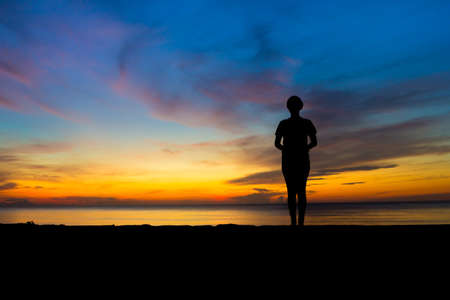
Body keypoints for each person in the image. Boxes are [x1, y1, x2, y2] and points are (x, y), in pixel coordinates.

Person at [275, 96, 317, 226]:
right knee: (298, 191)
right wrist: (302, 149)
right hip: (294, 160)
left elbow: (277, 144)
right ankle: (297, 223)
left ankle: (296, 223)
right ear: (300, 107)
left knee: (294, 191)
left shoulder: (303, 123)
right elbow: (314, 142)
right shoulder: (287, 123)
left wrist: (289, 150)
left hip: (296, 160)